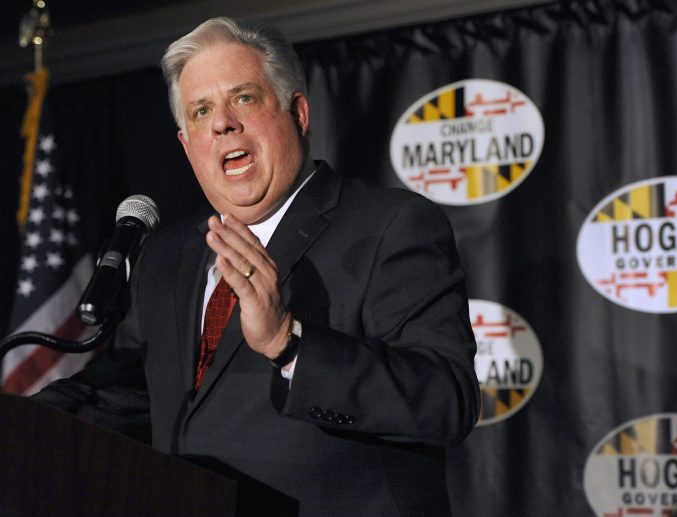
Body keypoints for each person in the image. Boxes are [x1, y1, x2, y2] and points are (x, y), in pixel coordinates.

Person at [33, 16, 480, 516]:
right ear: (187, 145)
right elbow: (121, 394)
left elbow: (447, 400)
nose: (222, 123)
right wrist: (19, 422)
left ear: (298, 113)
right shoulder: (165, 256)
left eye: (244, 98)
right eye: (201, 111)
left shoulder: (389, 225)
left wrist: (288, 343)